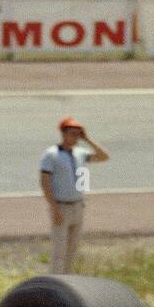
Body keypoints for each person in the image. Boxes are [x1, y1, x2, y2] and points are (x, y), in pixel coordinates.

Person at [39, 117, 109, 274]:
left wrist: (87, 139)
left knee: (72, 250)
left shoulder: (80, 153)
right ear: (63, 134)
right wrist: (54, 208)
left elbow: (104, 156)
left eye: (78, 134)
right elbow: (45, 183)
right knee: (59, 251)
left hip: (77, 205)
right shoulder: (51, 155)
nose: (75, 137)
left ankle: (68, 280)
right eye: (72, 133)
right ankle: (56, 282)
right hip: (61, 206)